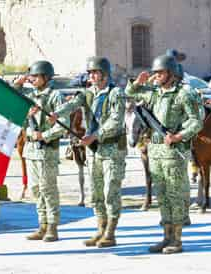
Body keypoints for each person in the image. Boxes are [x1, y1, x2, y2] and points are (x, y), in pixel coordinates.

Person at [125, 54, 203, 254]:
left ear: (172, 73)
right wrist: (136, 83)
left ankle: (176, 240)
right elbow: (130, 94)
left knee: (175, 195)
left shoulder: (184, 94)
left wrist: (178, 136)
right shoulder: (155, 93)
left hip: (174, 152)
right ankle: (166, 236)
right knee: (162, 196)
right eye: (156, 72)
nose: (157, 76)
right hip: (156, 151)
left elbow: (196, 121)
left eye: (160, 72)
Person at [50, 56, 127, 248]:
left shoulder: (115, 93)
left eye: (95, 72)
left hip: (111, 149)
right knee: (96, 193)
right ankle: (100, 229)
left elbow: (116, 121)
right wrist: (56, 114)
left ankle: (110, 232)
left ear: (105, 74)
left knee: (111, 191)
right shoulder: (87, 93)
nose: (92, 76)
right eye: (90, 73)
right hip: (94, 151)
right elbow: (72, 105)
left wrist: (95, 136)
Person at [13, 60, 69, 242]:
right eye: (32, 76)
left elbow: (63, 125)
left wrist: (44, 135)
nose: (33, 79)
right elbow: (13, 95)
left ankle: (52, 226)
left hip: (46, 150)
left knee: (48, 189)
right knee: (35, 189)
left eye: (36, 76)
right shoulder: (30, 94)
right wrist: (18, 83)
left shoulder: (55, 97)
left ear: (45, 77)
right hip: (30, 150)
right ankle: (42, 224)